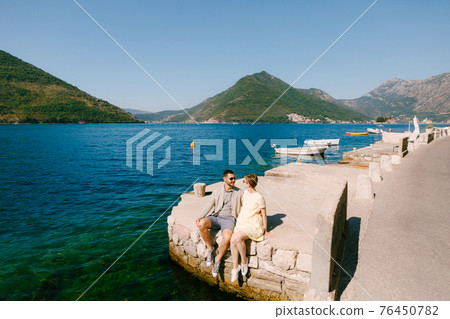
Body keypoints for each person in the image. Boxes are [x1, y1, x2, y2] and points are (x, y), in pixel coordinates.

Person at [196, 169, 243, 278]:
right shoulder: (217, 191)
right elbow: (209, 204)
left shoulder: (239, 192)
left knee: (227, 238)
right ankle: (209, 248)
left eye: (234, 178)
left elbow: (246, 206)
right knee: (201, 224)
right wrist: (199, 217)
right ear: (224, 179)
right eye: (231, 179)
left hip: (229, 219)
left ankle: (217, 260)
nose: (234, 180)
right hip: (216, 216)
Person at [230, 174, 269, 282]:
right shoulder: (246, 193)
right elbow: (244, 207)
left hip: (253, 224)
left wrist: (265, 229)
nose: (242, 183)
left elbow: (264, 214)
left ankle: (243, 261)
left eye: (244, 181)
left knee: (238, 238)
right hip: (243, 221)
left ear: (248, 184)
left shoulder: (259, 197)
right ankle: (235, 267)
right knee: (233, 239)